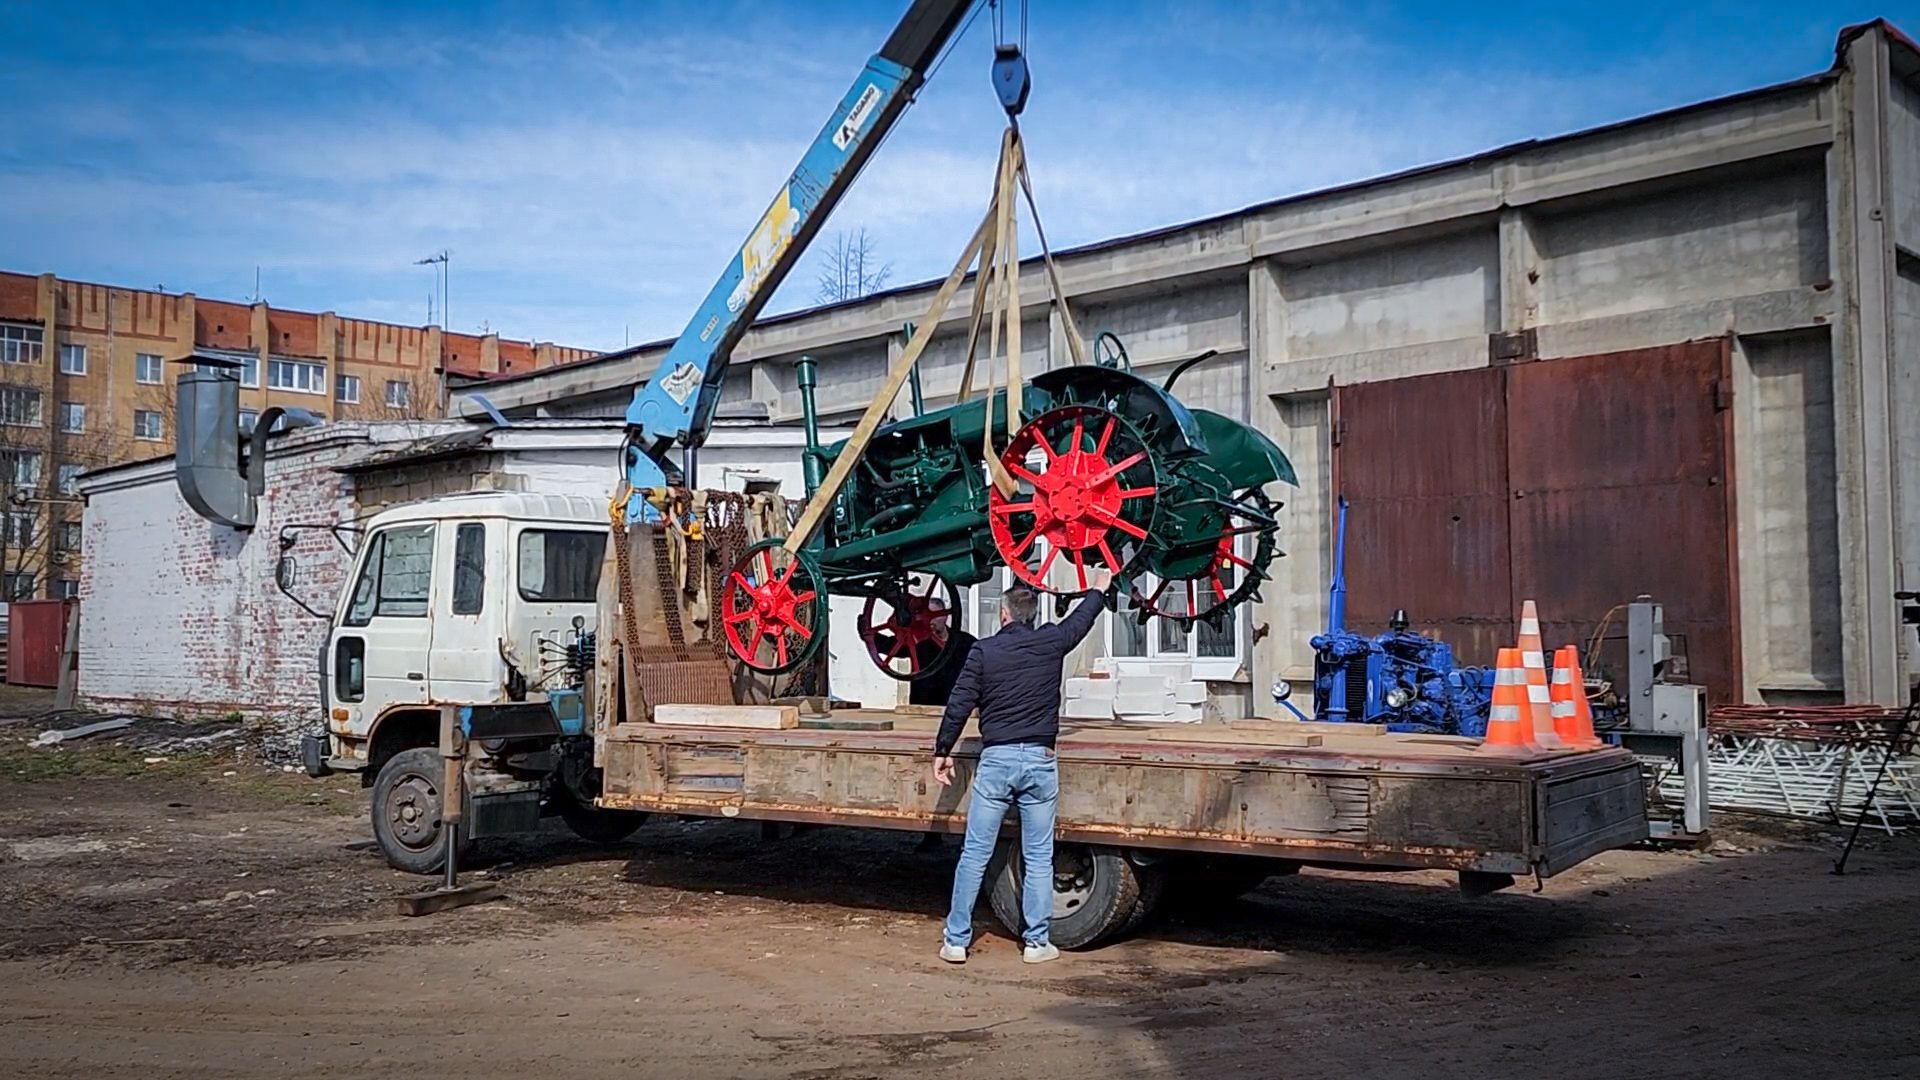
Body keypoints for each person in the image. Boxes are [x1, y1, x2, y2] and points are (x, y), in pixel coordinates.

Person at [932, 570, 1110, 965]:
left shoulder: (983, 652)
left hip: (997, 760)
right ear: (1030, 616)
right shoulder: (1051, 642)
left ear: (1004, 615)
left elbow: (960, 701)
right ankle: (1036, 943)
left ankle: (957, 941)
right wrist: (1098, 588)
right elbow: (1081, 621)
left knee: (975, 852)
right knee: (1038, 855)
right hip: (1040, 762)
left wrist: (943, 749)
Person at [908, 598, 975, 853]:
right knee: (931, 775)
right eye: (928, 616)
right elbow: (887, 646)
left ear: (947, 616)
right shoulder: (919, 644)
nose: (932, 620)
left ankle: (962, 830)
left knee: (960, 770)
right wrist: (864, 632)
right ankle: (932, 833)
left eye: (936, 615)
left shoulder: (965, 643)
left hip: (958, 715)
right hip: (926, 712)